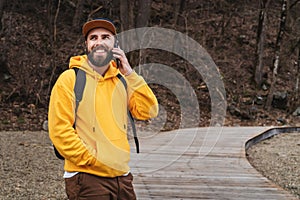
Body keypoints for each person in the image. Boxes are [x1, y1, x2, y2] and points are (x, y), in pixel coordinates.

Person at [48, 18, 159, 200]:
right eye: (93, 38)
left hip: (122, 177)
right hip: (87, 178)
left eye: (105, 37)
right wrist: (92, 160)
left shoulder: (122, 80)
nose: (99, 42)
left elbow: (149, 110)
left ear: (115, 44)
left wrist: (130, 74)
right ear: (87, 44)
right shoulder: (70, 79)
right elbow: (59, 131)